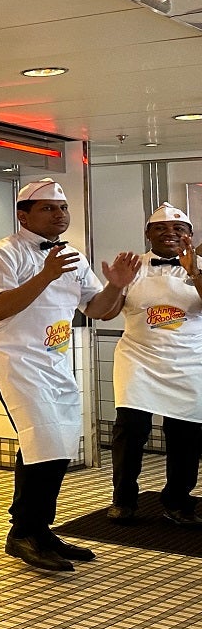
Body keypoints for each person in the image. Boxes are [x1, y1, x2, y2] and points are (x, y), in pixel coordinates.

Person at [0, 179, 138, 574]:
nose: (59, 214)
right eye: (47, 208)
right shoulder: (0, 255)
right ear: (23, 215)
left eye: (61, 208)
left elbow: (99, 310)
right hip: (12, 358)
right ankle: (24, 532)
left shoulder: (72, 256)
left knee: (58, 441)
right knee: (44, 437)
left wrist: (117, 287)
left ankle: (37, 528)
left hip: (53, 359)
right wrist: (45, 274)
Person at [108, 203, 202, 526]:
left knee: (186, 435)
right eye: (160, 228)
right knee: (130, 431)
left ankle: (177, 500)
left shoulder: (200, 266)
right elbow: (108, 310)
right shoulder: (135, 268)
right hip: (138, 360)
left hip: (189, 362)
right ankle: (123, 499)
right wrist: (116, 284)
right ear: (148, 234)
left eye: (179, 229)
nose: (170, 234)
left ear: (190, 235)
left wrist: (194, 272)